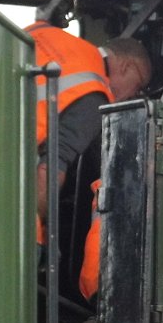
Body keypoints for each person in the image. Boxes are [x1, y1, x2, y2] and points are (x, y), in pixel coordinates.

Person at [27, 20, 150, 298]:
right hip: (6, 211)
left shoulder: (45, 34)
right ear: (127, 68)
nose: (132, 96)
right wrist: (41, 232)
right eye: (138, 86)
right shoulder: (92, 92)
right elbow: (49, 170)